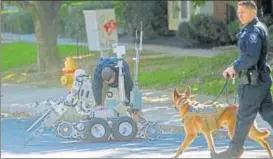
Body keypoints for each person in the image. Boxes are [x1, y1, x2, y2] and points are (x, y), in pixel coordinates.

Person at [213, 1, 273, 158]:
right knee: (269, 113)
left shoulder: (253, 32)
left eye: (243, 12)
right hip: (260, 80)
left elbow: (251, 57)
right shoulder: (256, 28)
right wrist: (233, 66)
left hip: (253, 84)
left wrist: (235, 68)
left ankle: (233, 152)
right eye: (238, 12)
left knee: (243, 118)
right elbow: (246, 57)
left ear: (253, 12)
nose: (239, 15)